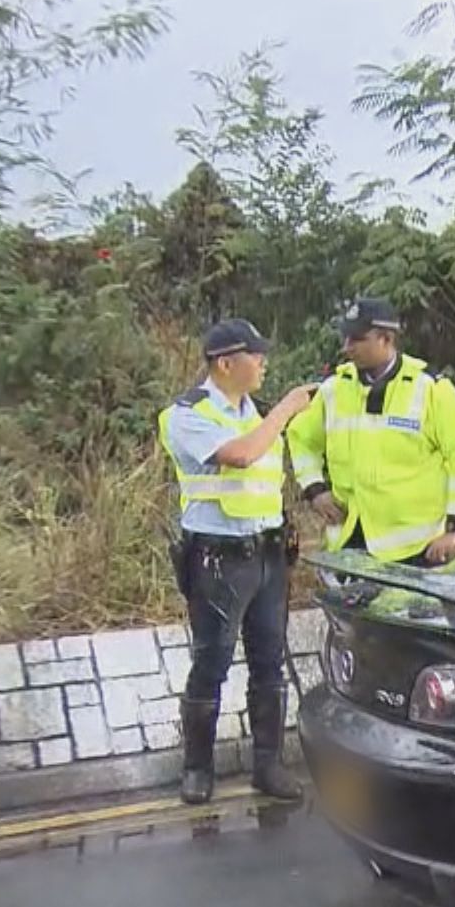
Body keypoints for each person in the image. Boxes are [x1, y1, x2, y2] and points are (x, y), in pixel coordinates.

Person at [158, 319, 319, 804]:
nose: (264, 363)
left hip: (268, 554)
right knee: (213, 662)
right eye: (257, 355)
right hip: (218, 560)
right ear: (226, 363)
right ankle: (197, 768)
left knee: (270, 662)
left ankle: (267, 767)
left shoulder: (257, 412)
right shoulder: (188, 415)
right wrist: (289, 408)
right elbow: (243, 456)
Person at [287, 298, 455, 566]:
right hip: (350, 543)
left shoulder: (430, 389)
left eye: (357, 339)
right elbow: (301, 439)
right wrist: (314, 488)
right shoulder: (333, 388)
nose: (347, 347)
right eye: (346, 338)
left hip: (418, 550)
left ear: (386, 339)